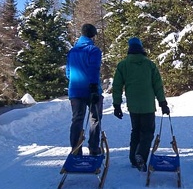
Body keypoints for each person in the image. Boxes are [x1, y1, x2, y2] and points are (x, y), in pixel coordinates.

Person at [111, 37, 170, 170]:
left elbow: (117, 86)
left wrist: (117, 105)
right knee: (147, 132)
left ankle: (133, 159)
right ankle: (141, 156)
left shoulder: (123, 65)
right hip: (148, 105)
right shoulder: (149, 65)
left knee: (136, 131)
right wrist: (162, 102)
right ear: (141, 48)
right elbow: (158, 85)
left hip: (133, 105)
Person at [66, 23, 103, 155]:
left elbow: (68, 73)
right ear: (93, 36)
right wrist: (93, 86)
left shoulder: (72, 52)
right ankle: (93, 148)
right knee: (95, 119)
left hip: (75, 90)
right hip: (91, 90)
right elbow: (94, 69)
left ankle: (76, 150)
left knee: (77, 119)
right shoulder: (94, 50)